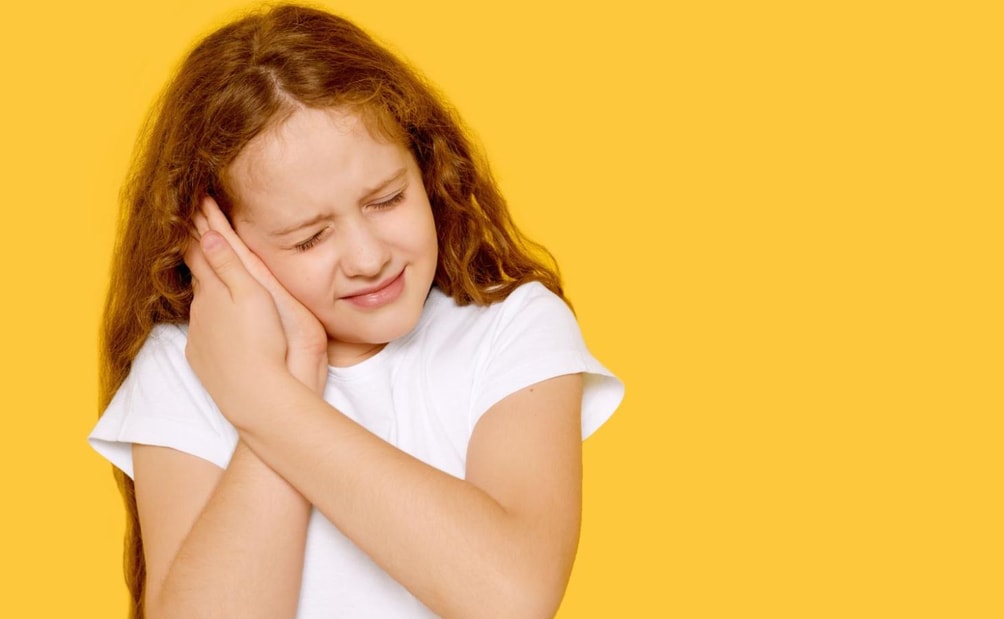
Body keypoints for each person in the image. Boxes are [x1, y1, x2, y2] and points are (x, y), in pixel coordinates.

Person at [88, 4, 623, 618]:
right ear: (218, 244)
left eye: (388, 199)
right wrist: (295, 368)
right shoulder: (184, 366)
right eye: (309, 238)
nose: (368, 259)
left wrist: (267, 401)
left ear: (429, 168)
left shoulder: (513, 328)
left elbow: (509, 599)